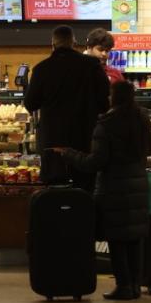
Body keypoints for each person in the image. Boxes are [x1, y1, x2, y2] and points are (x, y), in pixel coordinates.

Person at [56, 80, 151, 300]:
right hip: (138, 184)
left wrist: (69, 154)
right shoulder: (142, 119)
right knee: (134, 237)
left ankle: (123, 285)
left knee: (117, 238)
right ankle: (136, 285)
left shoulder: (107, 123)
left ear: (114, 97)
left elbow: (95, 162)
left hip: (115, 186)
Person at [25, 25, 110, 189]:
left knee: (55, 193)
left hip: (53, 143)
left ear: (53, 44)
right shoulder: (92, 65)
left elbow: (30, 103)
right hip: (85, 140)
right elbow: (104, 99)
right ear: (73, 43)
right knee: (85, 189)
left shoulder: (41, 69)